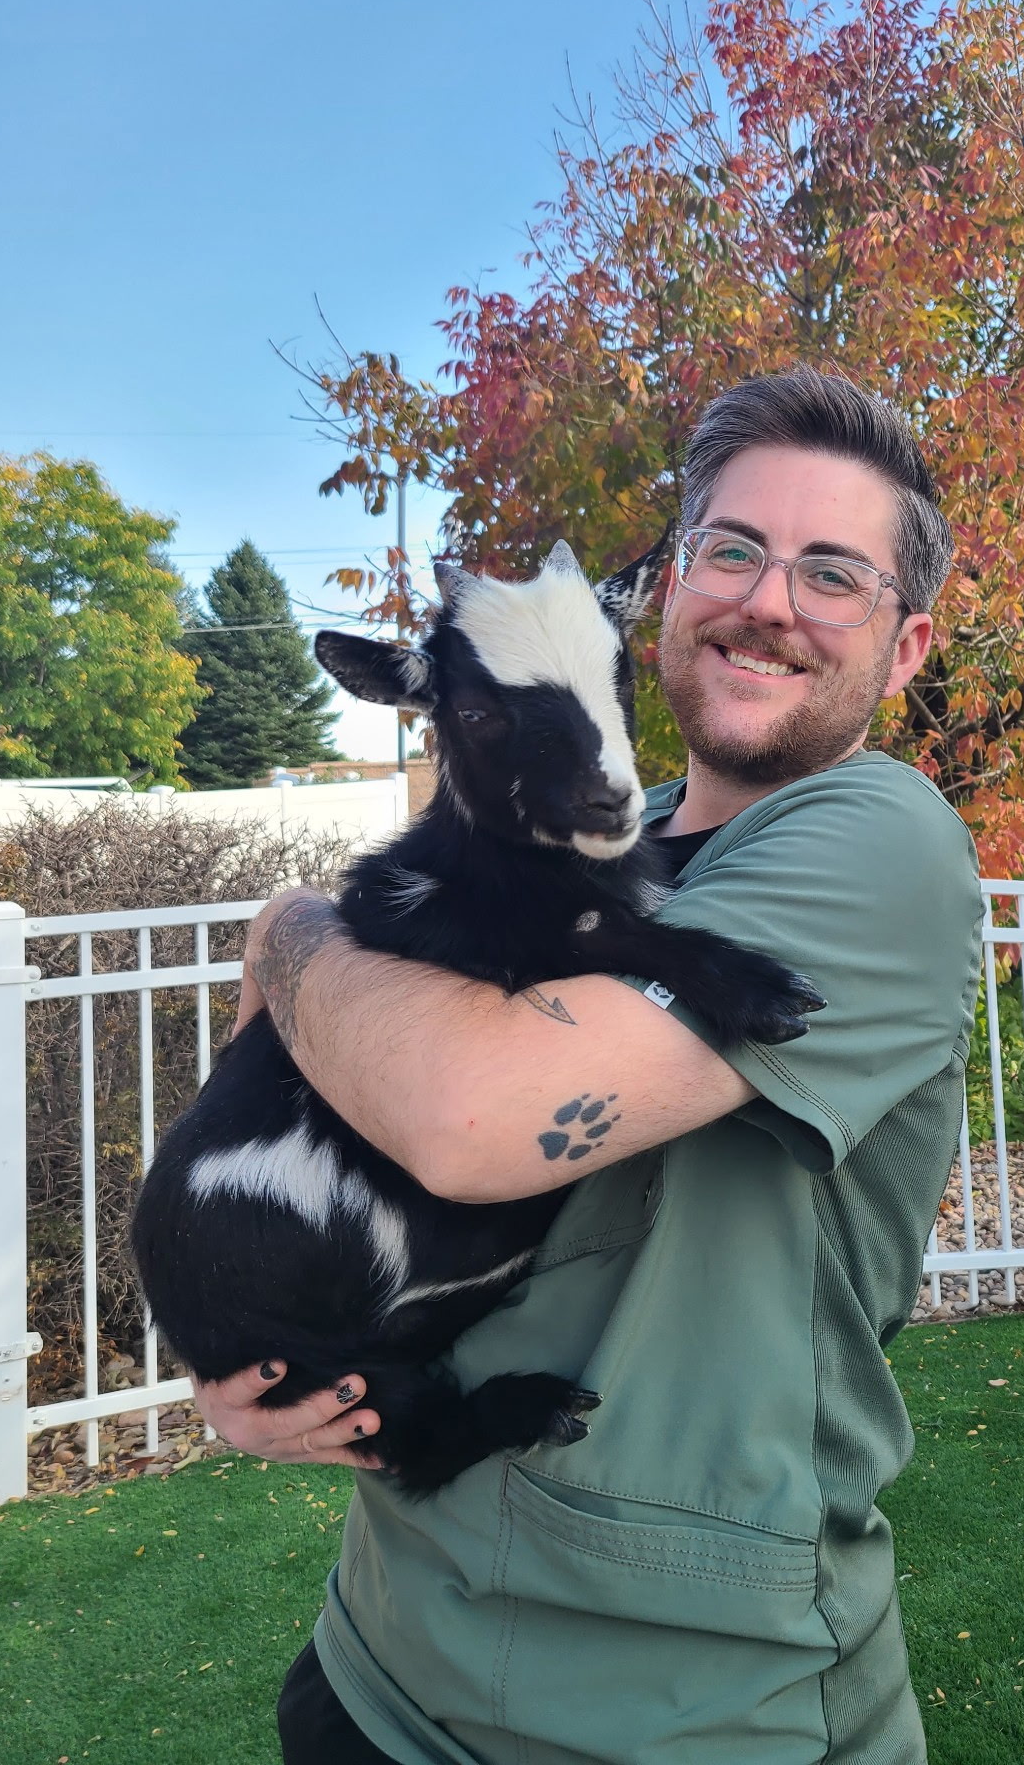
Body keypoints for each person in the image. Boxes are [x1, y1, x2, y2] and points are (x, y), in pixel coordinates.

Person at [197, 368, 984, 1765]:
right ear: (668, 588)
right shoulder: (609, 837)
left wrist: (286, 927)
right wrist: (255, 1338)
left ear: (906, 646)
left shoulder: (881, 841)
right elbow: (302, 1085)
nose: (767, 600)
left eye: (833, 574)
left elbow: (464, 1113)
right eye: (731, 549)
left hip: (683, 1717)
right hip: (382, 1655)